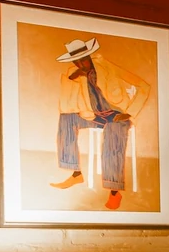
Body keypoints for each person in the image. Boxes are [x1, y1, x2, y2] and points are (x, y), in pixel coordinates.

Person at [50, 37, 149, 211]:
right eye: (77, 61)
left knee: (113, 132)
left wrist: (130, 112)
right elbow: (66, 104)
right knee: (67, 118)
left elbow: (143, 86)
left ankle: (114, 191)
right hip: (94, 116)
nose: (81, 64)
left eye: (83, 59)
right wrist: (71, 79)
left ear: (89, 56)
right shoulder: (74, 74)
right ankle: (76, 173)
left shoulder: (107, 68)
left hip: (117, 116)